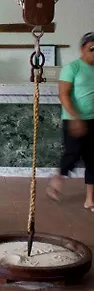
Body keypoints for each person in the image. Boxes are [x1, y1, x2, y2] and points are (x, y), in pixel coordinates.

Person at [47, 32, 94, 209]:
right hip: (73, 119)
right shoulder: (72, 68)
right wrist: (75, 117)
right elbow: (64, 94)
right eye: (92, 48)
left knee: (93, 159)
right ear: (82, 49)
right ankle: (57, 178)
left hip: (93, 119)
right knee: (72, 154)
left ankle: (90, 199)